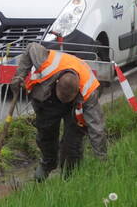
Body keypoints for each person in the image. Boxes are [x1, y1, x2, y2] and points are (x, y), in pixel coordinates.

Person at [10, 42, 107, 180]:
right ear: (57, 84)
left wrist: (102, 161)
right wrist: (19, 76)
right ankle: (47, 164)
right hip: (48, 100)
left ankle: (70, 176)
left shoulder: (88, 91)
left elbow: (97, 129)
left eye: (67, 99)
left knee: (72, 143)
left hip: (74, 108)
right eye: (63, 98)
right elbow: (32, 46)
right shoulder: (45, 62)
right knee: (46, 134)